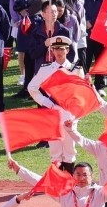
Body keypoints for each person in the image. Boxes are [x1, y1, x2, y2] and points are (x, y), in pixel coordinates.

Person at [27, 34, 78, 170]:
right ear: (52, 51)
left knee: (69, 148)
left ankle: (70, 182)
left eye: (62, 49)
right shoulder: (46, 69)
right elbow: (32, 88)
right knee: (55, 150)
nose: (59, 52)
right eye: (56, 49)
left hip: (70, 111)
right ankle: (57, 183)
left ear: (67, 50)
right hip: (52, 111)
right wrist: (47, 103)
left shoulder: (76, 69)